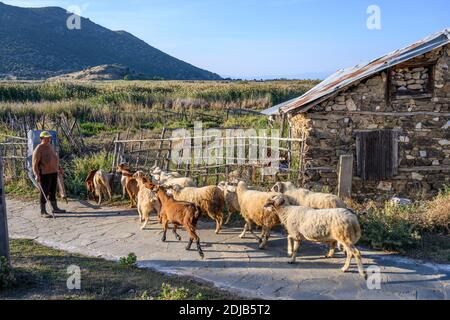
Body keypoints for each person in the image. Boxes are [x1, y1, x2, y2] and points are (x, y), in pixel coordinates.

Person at [32, 131, 66, 218]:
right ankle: (43, 211)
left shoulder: (50, 146)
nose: (48, 139)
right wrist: (36, 174)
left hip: (53, 172)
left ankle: (55, 208)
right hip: (44, 174)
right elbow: (34, 164)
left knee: (53, 191)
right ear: (41, 139)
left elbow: (55, 158)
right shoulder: (39, 148)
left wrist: (59, 168)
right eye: (46, 138)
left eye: (49, 138)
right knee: (44, 192)